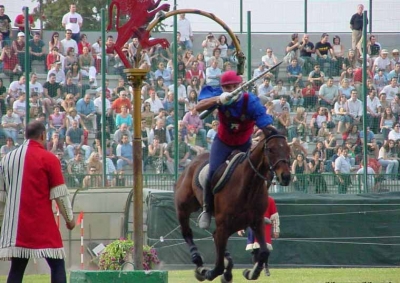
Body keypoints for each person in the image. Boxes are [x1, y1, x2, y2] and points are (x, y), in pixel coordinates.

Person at [196, 70, 274, 229]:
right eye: (227, 87)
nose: (231, 90)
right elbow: (199, 107)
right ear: (222, 88)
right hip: (223, 142)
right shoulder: (219, 95)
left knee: (257, 175)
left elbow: (265, 123)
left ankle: (256, 213)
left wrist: (273, 134)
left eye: (234, 86)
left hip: (244, 143)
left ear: (240, 85)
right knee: (211, 173)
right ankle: (207, 209)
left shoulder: (250, 101)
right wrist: (218, 99)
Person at [0, 120, 75, 283]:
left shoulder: (7, 159)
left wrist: (1, 222)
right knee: (57, 264)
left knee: (17, 267)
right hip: (42, 223)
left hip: (16, 225)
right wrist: (69, 219)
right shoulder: (49, 159)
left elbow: (1, 195)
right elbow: (60, 194)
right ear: (43, 135)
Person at [238, 196, 280, 277]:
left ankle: (266, 267)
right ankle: (256, 269)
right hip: (253, 226)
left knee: (265, 250)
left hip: (265, 227)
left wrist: (275, 230)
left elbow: (274, 216)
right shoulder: (250, 199)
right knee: (255, 250)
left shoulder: (270, 200)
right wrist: (241, 228)